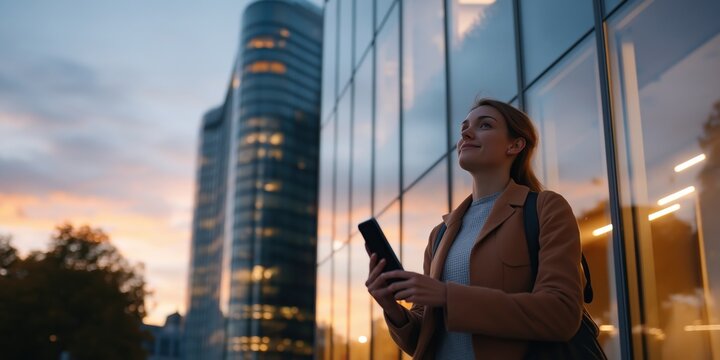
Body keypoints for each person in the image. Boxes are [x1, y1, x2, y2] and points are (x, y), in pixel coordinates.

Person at [365, 98, 584, 359]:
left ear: (515, 145)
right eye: (464, 128)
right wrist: (392, 309)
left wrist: (447, 296)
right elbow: (423, 342)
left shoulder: (545, 208)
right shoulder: (440, 234)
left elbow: (561, 314)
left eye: (485, 125)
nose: (466, 133)